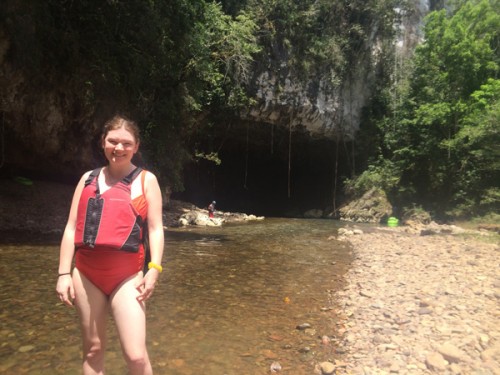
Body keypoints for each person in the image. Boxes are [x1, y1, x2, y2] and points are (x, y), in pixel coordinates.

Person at [56, 114, 164, 375]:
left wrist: (154, 269)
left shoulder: (146, 181)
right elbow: (71, 227)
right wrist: (62, 274)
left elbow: (155, 229)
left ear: (136, 147)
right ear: (103, 143)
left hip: (127, 276)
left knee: (136, 356)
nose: (119, 148)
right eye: (112, 141)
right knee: (93, 350)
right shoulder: (86, 179)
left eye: (126, 143)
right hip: (86, 275)